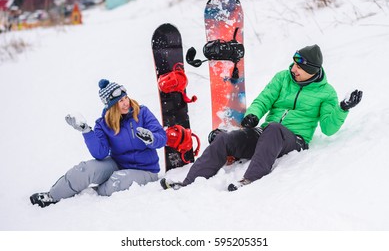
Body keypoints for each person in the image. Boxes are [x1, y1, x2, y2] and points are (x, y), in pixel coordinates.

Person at [161, 44, 363, 191]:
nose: (293, 69)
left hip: (294, 139)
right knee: (225, 139)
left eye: (299, 68)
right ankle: (189, 182)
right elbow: (264, 99)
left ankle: (249, 179)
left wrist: (343, 108)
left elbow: (328, 128)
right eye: (293, 64)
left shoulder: (326, 93)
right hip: (266, 133)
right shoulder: (282, 78)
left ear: (312, 71)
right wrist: (253, 115)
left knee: (274, 129)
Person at [30, 79, 167, 207]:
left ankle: (92, 193)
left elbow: (162, 137)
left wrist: (152, 139)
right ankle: (52, 195)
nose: (126, 103)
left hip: (146, 170)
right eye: (120, 101)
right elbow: (100, 153)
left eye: (126, 98)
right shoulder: (103, 124)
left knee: (117, 181)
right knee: (84, 169)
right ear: (111, 107)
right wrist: (87, 131)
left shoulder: (142, 113)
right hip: (119, 164)